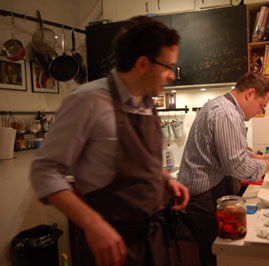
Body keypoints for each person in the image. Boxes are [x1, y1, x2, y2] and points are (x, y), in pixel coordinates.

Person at [30, 16, 189, 266]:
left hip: (153, 241)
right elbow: (44, 171)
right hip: (110, 246)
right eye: (168, 67)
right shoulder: (87, 101)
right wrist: (92, 223)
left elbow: (137, 159)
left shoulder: (147, 102)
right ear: (143, 64)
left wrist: (165, 179)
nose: (172, 75)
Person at [177, 72, 269, 266]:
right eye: (261, 106)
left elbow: (234, 153)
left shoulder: (222, 107)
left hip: (208, 190)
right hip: (205, 196)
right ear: (250, 94)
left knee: (220, 253)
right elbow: (236, 165)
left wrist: (264, 157)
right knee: (216, 255)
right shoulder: (227, 114)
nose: (259, 112)